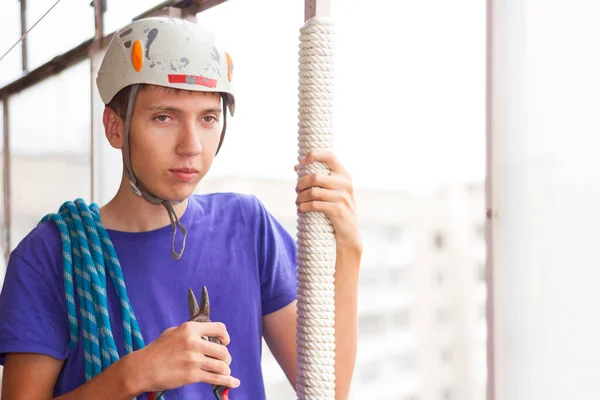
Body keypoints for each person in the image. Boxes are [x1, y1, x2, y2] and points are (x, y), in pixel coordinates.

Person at [0, 16, 361, 400]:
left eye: (208, 118)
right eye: (164, 117)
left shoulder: (248, 227)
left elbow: (331, 388)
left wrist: (350, 250)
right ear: (114, 127)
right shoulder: (49, 256)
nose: (191, 145)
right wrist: (134, 374)